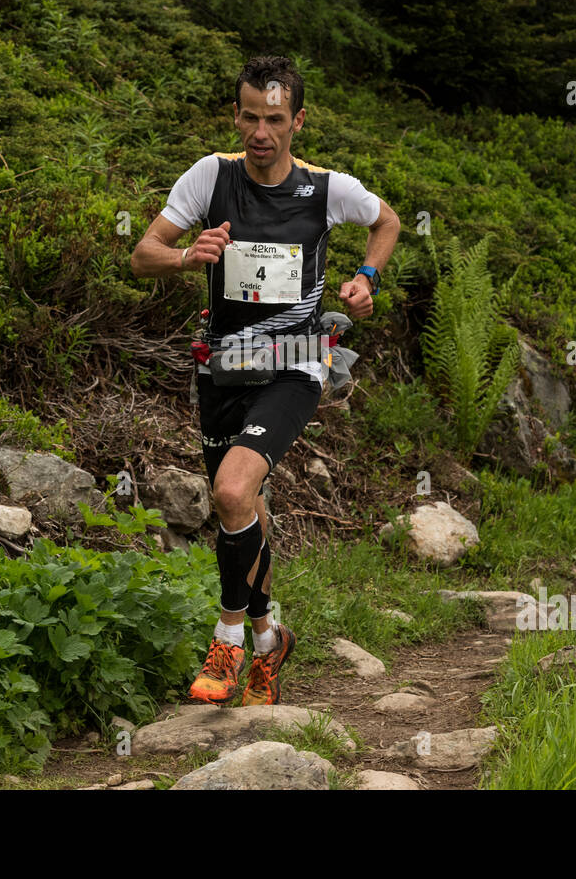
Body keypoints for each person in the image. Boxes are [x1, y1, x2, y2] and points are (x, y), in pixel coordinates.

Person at [130, 54, 399, 705]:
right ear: (236, 114)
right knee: (240, 507)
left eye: (274, 119)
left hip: (298, 359)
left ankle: (225, 641)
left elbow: (385, 222)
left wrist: (367, 280)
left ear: (297, 121)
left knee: (230, 488)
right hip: (223, 362)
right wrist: (185, 254)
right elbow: (142, 254)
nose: (260, 131)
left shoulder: (326, 188)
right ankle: (269, 639)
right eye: (250, 116)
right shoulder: (210, 177)